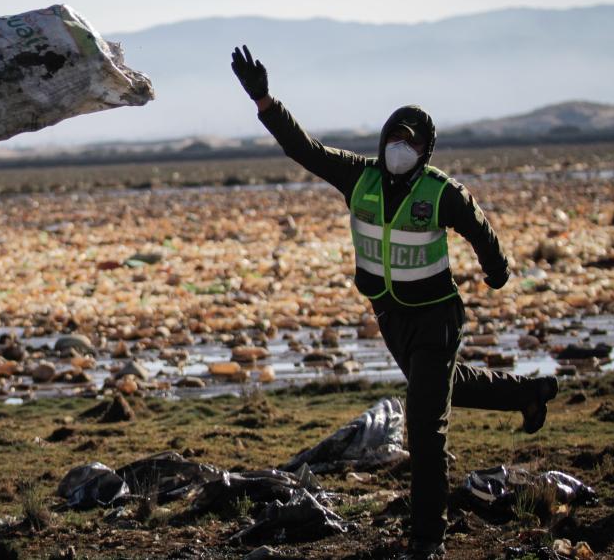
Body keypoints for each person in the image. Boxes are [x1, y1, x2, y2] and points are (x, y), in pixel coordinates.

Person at [230, 46, 558, 559]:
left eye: (410, 142)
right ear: (383, 139)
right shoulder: (357, 176)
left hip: (436, 318)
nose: (399, 148)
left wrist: (497, 272)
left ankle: (429, 537)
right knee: (443, 386)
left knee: (425, 428)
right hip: (391, 317)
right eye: (394, 138)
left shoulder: (440, 191)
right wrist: (265, 101)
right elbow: (304, 148)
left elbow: (479, 228)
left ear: (425, 149)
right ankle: (528, 393)